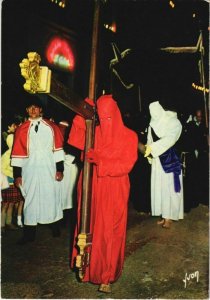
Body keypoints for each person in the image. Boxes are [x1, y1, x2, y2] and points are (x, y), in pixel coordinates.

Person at [68, 94, 138, 293]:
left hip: (115, 188)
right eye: (102, 117)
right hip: (92, 186)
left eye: (110, 117)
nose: (106, 122)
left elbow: (127, 164)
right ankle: (87, 268)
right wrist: (82, 115)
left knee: (110, 231)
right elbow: (75, 140)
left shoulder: (129, 136)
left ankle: (106, 275)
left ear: (115, 114)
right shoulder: (94, 131)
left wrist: (101, 161)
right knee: (88, 224)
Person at [11, 98, 65, 245]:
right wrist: (17, 175)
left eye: (36, 107)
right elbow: (17, 154)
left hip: (48, 167)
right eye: (30, 107)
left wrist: (60, 169)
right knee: (30, 200)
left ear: (41, 110)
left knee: (51, 196)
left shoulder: (51, 127)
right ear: (27, 110)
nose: (33, 110)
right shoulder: (21, 129)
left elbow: (58, 150)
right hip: (30, 169)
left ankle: (55, 227)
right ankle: (29, 234)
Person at [145, 101, 183, 229]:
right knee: (159, 187)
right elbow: (149, 140)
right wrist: (149, 152)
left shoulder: (174, 122)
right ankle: (163, 214)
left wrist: (153, 148)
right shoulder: (152, 123)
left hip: (169, 159)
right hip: (157, 160)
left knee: (169, 188)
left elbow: (170, 139)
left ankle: (169, 217)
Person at [1, 119, 24, 233]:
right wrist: (12, 174)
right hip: (7, 181)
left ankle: (9, 223)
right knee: (5, 204)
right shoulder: (6, 155)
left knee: (11, 203)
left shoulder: (16, 155)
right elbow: (2, 168)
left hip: (13, 180)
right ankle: (1, 225)